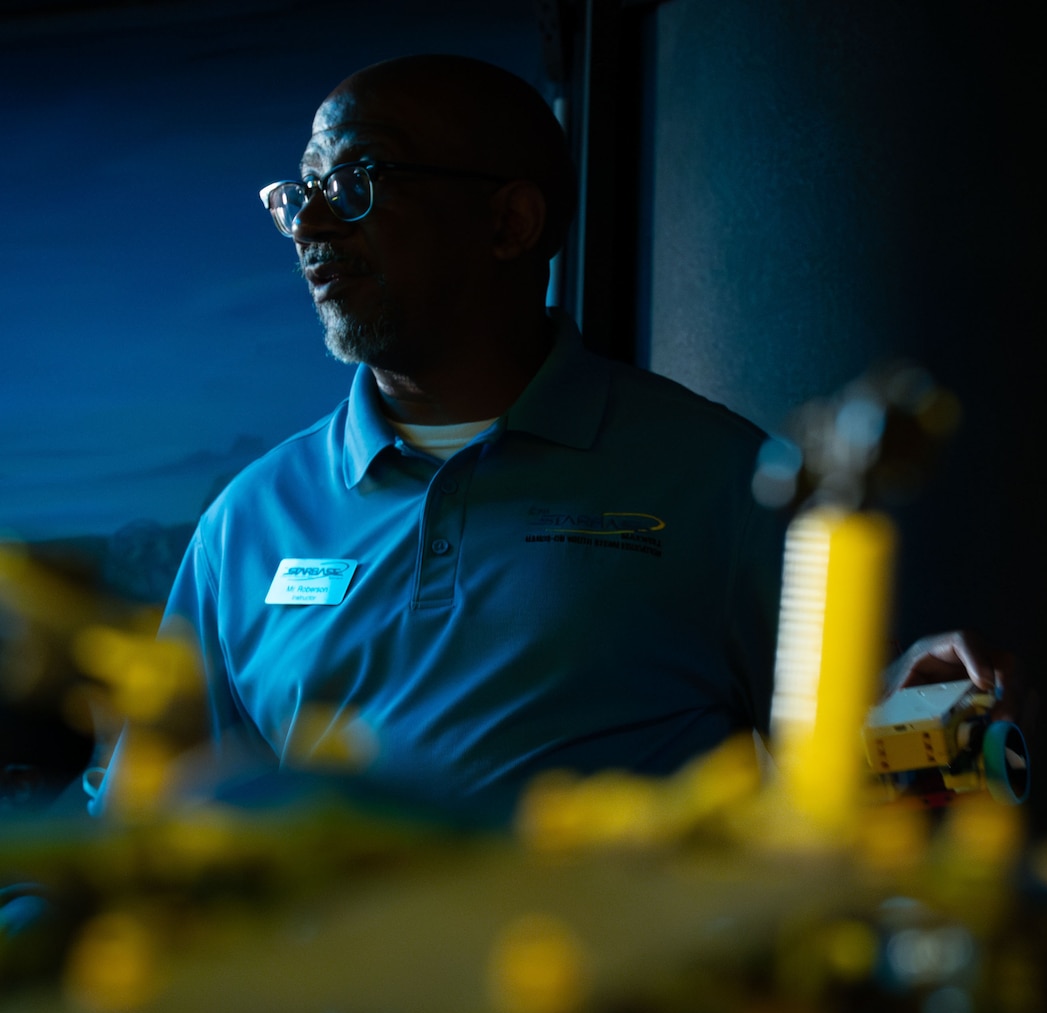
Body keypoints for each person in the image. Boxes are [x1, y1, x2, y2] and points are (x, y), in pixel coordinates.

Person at [92, 55, 991, 817]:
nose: (312, 225)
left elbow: (844, 756)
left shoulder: (723, 478)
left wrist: (910, 704)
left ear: (509, 222)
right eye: (304, 192)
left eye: (358, 181)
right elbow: (143, 817)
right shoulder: (248, 521)